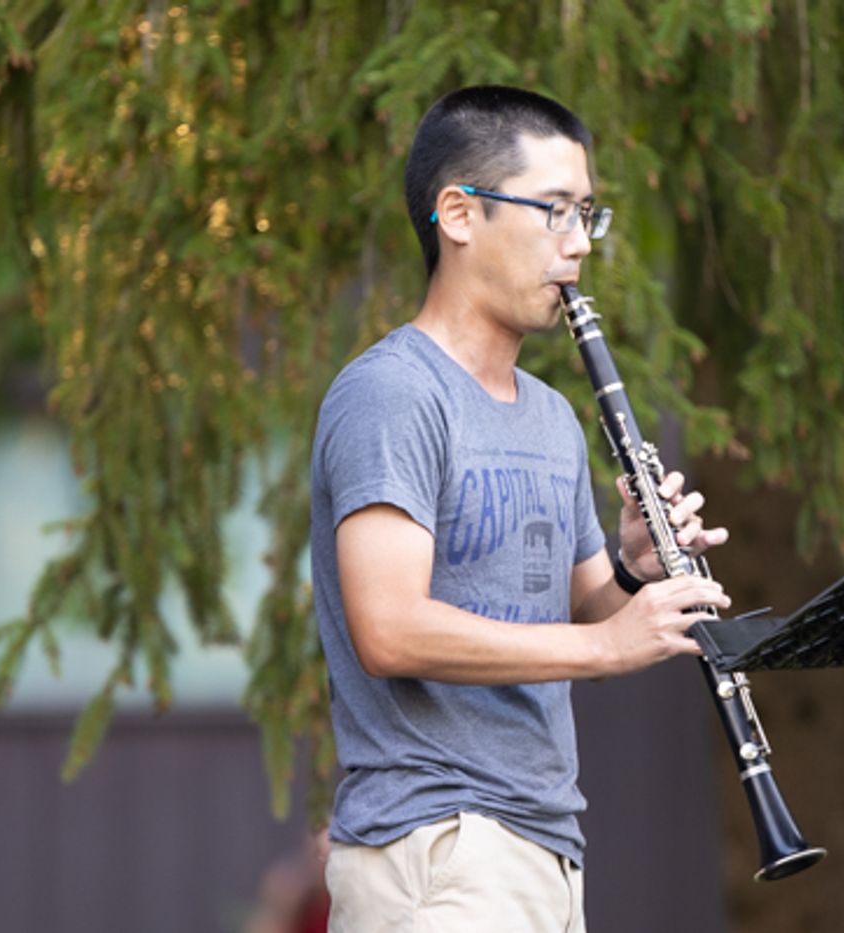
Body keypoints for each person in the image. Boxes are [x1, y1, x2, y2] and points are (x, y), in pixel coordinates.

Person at [310, 85, 731, 933]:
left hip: (543, 844)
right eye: (554, 212)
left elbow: (580, 604)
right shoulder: (393, 394)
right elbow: (388, 630)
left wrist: (631, 573)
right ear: (459, 214)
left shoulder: (547, 414)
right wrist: (605, 644)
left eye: (588, 215)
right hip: (436, 844)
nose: (578, 245)